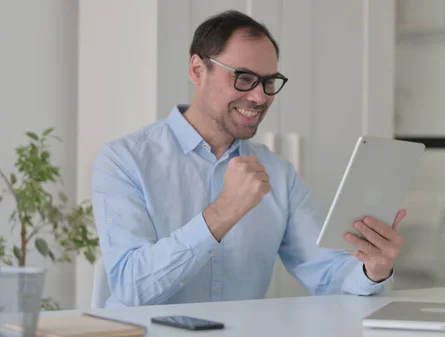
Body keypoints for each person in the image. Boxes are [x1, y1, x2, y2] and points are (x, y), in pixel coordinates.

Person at [91, 10, 405, 308]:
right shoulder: (124, 160)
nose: (260, 97)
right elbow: (130, 288)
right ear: (198, 70)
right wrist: (224, 211)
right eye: (243, 78)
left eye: (269, 82)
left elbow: (325, 273)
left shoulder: (278, 175)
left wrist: (373, 269)